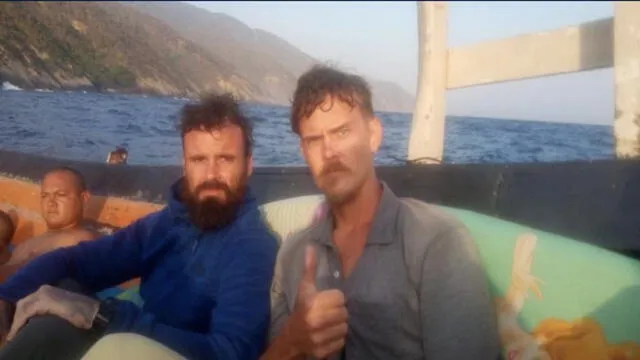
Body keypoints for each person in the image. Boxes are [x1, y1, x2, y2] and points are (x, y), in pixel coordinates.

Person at [0, 93, 279, 360]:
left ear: (248, 165)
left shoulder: (250, 245)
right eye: (199, 160)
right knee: (64, 286)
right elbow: (75, 260)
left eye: (225, 159)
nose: (211, 175)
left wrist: (100, 315)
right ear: (185, 166)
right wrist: (6, 297)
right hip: (126, 339)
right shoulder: (167, 223)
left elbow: (230, 352)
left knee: (62, 311)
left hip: (161, 351)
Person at [261, 65, 502, 360]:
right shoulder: (292, 254)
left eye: (342, 131)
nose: (329, 152)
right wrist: (293, 341)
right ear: (303, 152)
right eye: (314, 140)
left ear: (374, 134)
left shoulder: (436, 243)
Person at [1, 167, 99, 275]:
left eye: (60, 194)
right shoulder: (25, 245)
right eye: (45, 196)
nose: (51, 202)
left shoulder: (80, 240)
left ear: (84, 198)